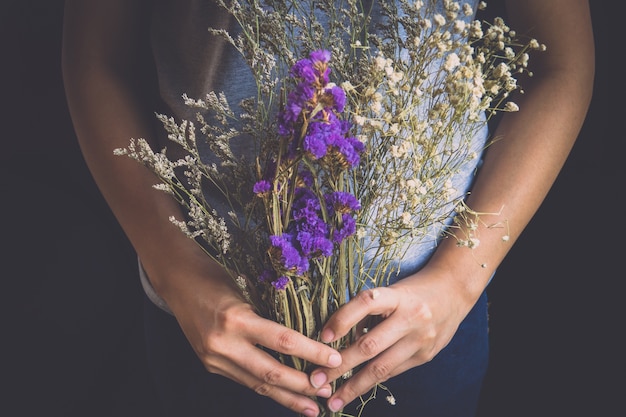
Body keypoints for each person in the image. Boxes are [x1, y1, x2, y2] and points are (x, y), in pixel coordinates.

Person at [61, 0, 594, 416]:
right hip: (210, 327)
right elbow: (95, 59)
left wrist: (457, 281)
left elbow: (563, 63)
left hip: (422, 330)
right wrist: (177, 273)